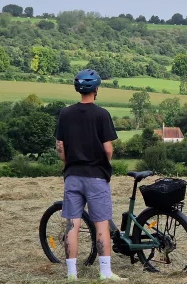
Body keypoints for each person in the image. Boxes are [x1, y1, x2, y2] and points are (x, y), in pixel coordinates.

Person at [54, 69, 126, 281]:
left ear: (77, 89)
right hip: (96, 176)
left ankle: (71, 274)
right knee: (101, 223)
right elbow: (109, 149)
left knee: (72, 224)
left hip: (73, 176)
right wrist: (102, 164)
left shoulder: (65, 114)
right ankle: (105, 273)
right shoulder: (102, 114)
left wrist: (68, 164)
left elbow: (60, 146)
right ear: (96, 89)